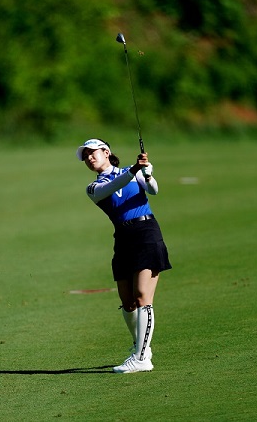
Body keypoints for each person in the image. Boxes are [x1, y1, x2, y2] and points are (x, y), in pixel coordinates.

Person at [76, 138, 172, 374]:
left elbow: (154, 190)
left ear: (106, 152)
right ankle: (141, 347)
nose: (89, 158)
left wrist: (147, 173)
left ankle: (141, 358)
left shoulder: (134, 171)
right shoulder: (93, 188)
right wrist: (135, 169)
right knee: (128, 303)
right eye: (85, 155)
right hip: (123, 237)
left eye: (93, 152)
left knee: (142, 297)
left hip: (146, 231)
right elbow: (111, 187)